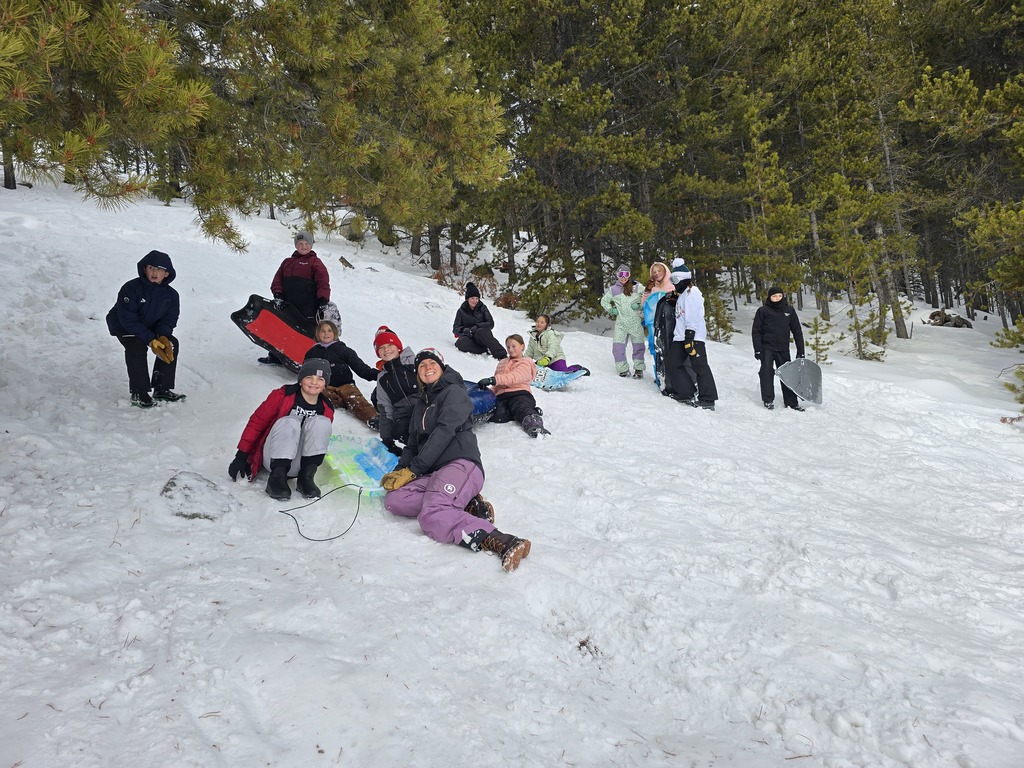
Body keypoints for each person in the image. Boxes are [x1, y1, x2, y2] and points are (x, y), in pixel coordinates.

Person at [380, 348, 531, 572]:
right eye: (422, 366)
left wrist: (414, 470)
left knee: (432, 517)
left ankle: (502, 540)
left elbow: (444, 432)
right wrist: (400, 470)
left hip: (460, 463)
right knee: (395, 500)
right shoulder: (421, 403)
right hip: (434, 472)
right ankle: (466, 504)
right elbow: (412, 444)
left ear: (442, 367)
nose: (427, 368)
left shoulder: (454, 392)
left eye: (432, 364)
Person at [228, 358, 335, 500]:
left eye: (320, 379)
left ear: (325, 385)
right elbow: (257, 423)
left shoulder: (326, 407)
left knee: (322, 423)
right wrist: (241, 456)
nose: (314, 382)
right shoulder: (283, 395)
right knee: (290, 422)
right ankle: (276, 479)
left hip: (300, 463)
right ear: (301, 380)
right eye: (309, 377)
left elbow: (318, 439)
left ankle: (306, 478)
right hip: (274, 457)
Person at [106, 250, 185, 408]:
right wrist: (150, 340)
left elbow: (169, 320)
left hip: (149, 326)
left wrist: (162, 337)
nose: (155, 272)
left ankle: (161, 388)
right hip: (123, 325)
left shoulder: (172, 295)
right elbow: (128, 319)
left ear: (167, 273)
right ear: (144, 269)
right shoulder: (130, 289)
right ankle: (139, 392)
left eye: (160, 269)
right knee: (136, 345)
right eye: (151, 268)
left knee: (171, 343)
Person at [259, 231, 331, 365]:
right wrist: (278, 295)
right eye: (300, 244)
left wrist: (323, 301)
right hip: (288, 305)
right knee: (281, 330)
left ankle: (307, 361)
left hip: (308, 307)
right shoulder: (287, 262)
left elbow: (323, 282)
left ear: (311, 245)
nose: (303, 247)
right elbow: (277, 280)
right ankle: (275, 357)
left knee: (304, 334)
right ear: (295, 245)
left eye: (306, 244)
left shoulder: (315, 262)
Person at [304, 320, 378, 426]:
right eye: (322, 331)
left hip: (346, 384)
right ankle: (340, 402)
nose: (326, 334)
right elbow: (306, 371)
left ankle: (373, 418)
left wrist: (376, 374)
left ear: (334, 333)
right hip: (325, 385)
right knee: (321, 395)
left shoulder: (343, 349)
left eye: (329, 331)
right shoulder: (312, 352)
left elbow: (360, 367)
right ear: (317, 334)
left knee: (356, 401)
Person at [666, 259, 718, 410]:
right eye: (672, 280)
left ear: (684, 278)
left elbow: (693, 315)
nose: (674, 283)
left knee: (700, 365)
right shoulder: (682, 295)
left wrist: (690, 336)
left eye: (675, 279)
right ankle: (686, 392)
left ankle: (708, 399)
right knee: (672, 364)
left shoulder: (692, 292)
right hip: (680, 337)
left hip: (692, 336)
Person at [477, 335, 549, 438]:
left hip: (519, 394)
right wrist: (487, 393)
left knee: (520, 406)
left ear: (522, 346)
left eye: (514, 346)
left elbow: (514, 377)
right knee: (498, 414)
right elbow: (497, 385)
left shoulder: (525, 362)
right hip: (502, 396)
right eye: (508, 347)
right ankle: (529, 410)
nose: (511, 349)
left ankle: (533, 423)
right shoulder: (502, 363)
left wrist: (493, 380)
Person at [752, 286, 806, 411]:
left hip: (783, 349)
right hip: (767, 348)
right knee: (766, 373)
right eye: (774, 296)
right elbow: (756, 331)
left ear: (783, 296)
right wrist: (758, 349)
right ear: (770, 297)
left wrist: (801, 351)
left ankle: (792, 403)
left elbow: (797, 331)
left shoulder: (789, 311)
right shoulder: (763, 311)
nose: (777, 298)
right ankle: (768, 400)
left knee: (787, 375)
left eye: (779, 296)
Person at [371, 325, 419, 455]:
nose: (386, 350)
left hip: (423, 408)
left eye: (390, 345)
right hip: (404, 416)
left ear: (398, 347)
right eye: (381, 347)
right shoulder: (382, 378)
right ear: (378, 353)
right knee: (399, 431)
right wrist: (386, 439)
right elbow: (385, 409)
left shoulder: (413, 362)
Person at [599, 264, 646, 378]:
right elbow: (604, 301)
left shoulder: (637, 286)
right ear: (617, 275)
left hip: (635, 322)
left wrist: (640, 306)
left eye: (626, 274)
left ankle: (639, 369)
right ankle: (623, 369)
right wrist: (611, 310)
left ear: (629, 275)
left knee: (638, 346)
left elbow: (648, 296)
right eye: (621, 274)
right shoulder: (614, 289)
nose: (623, 277)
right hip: (621, 323)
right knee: (618, 347)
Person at [452, 282, 507, 359]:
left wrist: (478, 326)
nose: (475, 301)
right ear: (467, 299)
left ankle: (502, 356)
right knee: (461, 343)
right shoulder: (461, 311)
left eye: (477, 298)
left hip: (481, 334)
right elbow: (455, 328)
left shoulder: (482, 308)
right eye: (472, 298)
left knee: (482, 332)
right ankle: (486, 349)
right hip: (469, 336)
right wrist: (465, 330)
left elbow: (490, 323)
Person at [642, 261, 674, 387]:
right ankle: (659, 376)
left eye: (659, 271)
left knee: (669, 349)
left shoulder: (671, 286)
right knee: (656, 349)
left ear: (665, 271)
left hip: (668, 323)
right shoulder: (653, 288)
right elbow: (644, 304)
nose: (657, 274)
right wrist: (647, 291)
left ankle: (672, 378)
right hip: (653, 324)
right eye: (654, 272)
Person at [525, 314, 589, 374]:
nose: (539, 324)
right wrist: (523, 361)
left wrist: (548, 358)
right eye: (538, 322)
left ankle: (577, 368)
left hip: (555, 359)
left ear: (546, 324)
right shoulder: (533, 336)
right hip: (542, 363)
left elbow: (553, 347)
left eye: (542, 322)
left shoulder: (551, 334)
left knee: (562, 373)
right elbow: (530, 351)